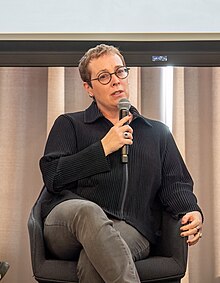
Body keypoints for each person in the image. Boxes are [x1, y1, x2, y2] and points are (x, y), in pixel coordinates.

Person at [40, 44, 203, 283]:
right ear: (89, 88)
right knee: (88, 210)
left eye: (120, 72)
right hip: (68, 224)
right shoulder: (69, 124)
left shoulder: (157, 133)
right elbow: (53, 176)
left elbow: (175, 183)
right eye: (104, 77)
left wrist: (191, 210)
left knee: (93, 262)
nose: (116, 81)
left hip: (131, 227)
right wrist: (103, 148)